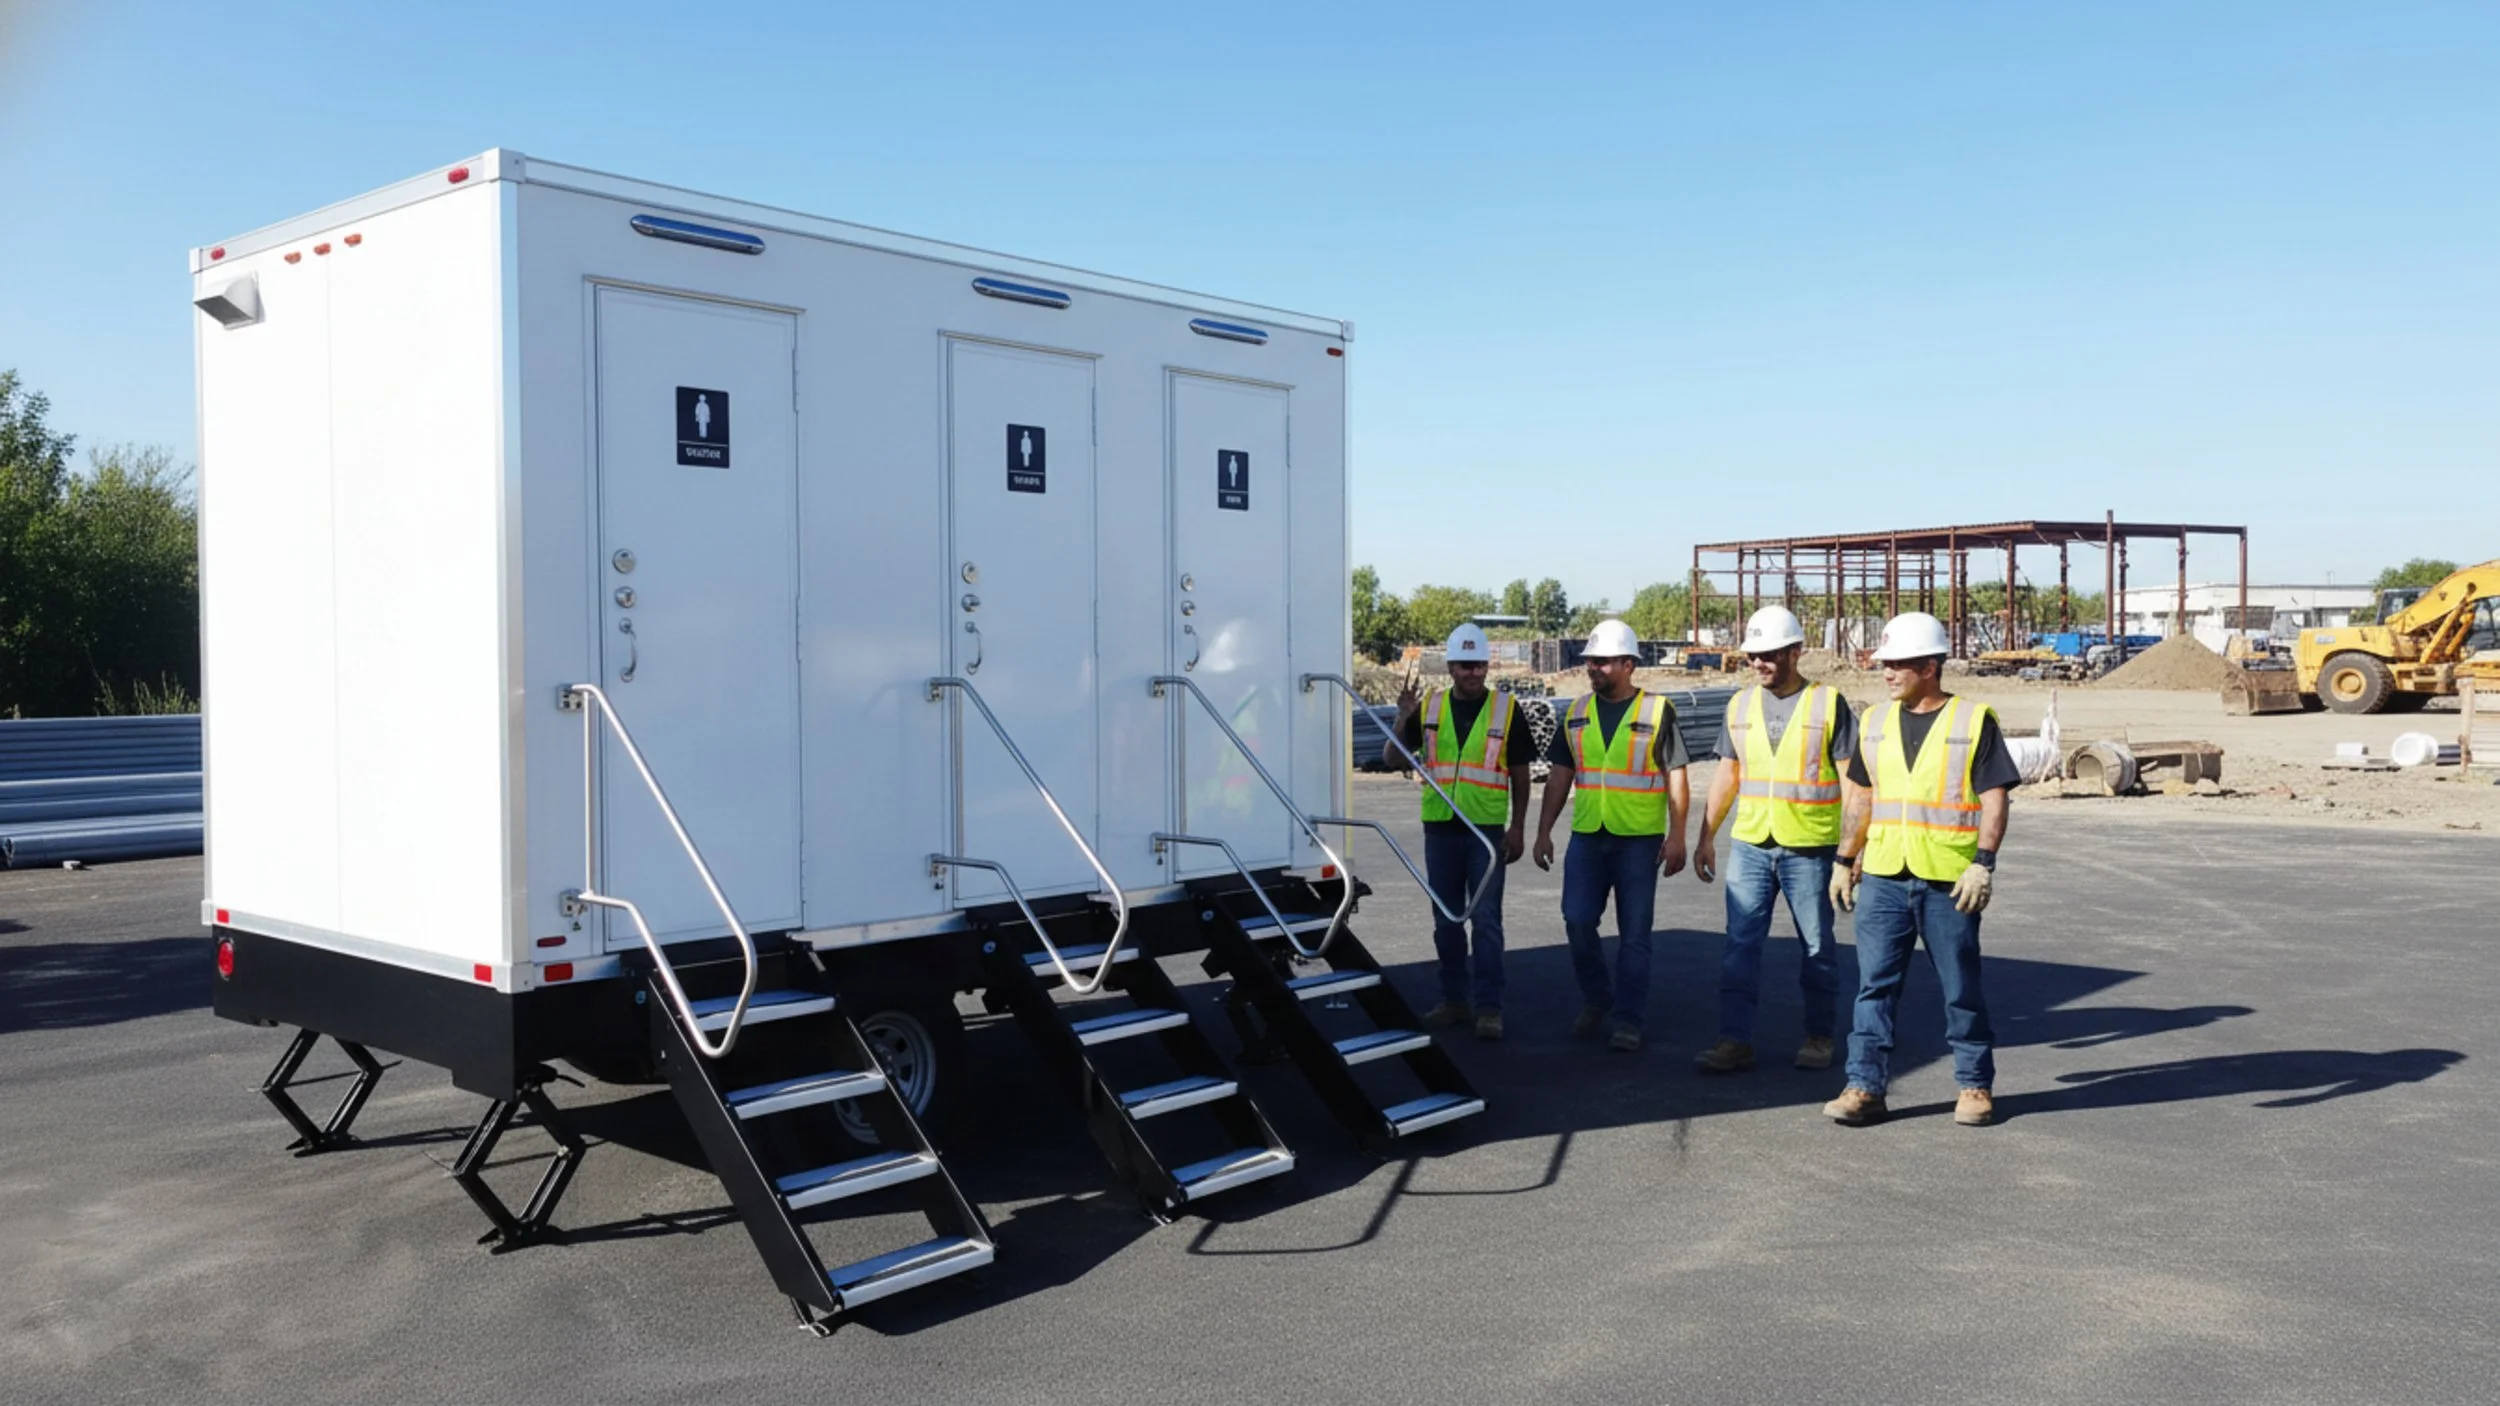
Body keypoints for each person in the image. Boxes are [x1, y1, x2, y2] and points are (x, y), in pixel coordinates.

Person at [1823, 611, 2021, 1128]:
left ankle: (1974, 1085)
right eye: (1884, 663)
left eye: (1898, 664)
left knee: (1960, 985)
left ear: (1930, 666)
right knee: (1874, 986)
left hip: (1948, 879)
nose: (1886, 672)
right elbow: (1860, 798)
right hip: (1886, 875)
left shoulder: (1973, 721)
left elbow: (1995, 799)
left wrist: (1983, 863)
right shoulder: (1873, 722)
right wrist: (1845, 860)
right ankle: (1864, 1086)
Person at [1693, 606, 1860, 1074]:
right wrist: (1706, 834)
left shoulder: (1828, 703)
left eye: (1769, 655)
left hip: (1810, 848)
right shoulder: (1739, 705)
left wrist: (1853, 850)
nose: (1759, 664)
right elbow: (1728, 773)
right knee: (1739, 946)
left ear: (1795, 651)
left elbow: (1852, 782)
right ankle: (1734, 1039)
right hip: (1750, 844)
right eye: (1753, 657)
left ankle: (1819, 1037)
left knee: (1816, 947)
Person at [1533, 618, 1692, 1052]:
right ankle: (1598, 997)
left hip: (1639, 840)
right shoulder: (1577, 711)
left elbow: (1675, 775)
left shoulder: (1657, 711)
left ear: (1628, 664)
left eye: (1603, 662)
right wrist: (1544, 831)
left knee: (1635, 935)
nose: (1593, 668)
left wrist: (1678, 835)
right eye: (1590, 662)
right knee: (1578, 921)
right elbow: (1560, 776)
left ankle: (1628, 1019)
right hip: (1588, 835)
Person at [1389, 624, 1534, 1040]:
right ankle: (1454, 1001)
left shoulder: (1507, 710)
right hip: (1440, 829)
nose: (1474, 673)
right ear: (1451, 667)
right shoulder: (1429, 708)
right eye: (1465, 666)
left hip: (1485, 831)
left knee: (1486, 920)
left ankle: (1489, 1008)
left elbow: (1521, 776)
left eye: (1479, 665)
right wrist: (1402, 716)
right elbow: (1392, 759)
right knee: (1446, 920)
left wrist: (1518, 827)